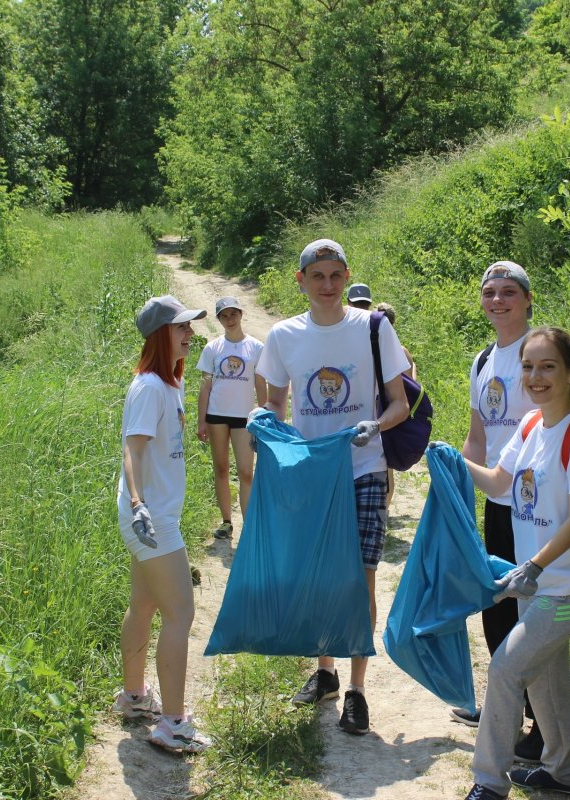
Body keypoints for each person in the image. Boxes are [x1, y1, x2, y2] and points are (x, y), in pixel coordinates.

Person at [255, 238, 411, 736]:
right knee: (321, 578)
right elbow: (275, 407)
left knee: (359, 579)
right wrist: (268, 434)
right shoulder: (282, 337)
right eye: (317, 276)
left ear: (347, 278)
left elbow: (399, 403)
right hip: (312, 474)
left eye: (335, 276)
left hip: (363, 467)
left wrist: (377, 427)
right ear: (300, 281)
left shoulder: (372, 328)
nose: (327, 285)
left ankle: (357, 691)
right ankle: (325, 671)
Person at [460, 326, 570, 800]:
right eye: (528, 366)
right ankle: (565, 773)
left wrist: (534, 567)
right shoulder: (530, 426)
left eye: (547, 366)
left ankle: (488, 781)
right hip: (536, 585)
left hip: (564, 588)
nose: (536, 376)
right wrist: (452, 461)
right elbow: (501, 484)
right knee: (546, 677)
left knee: (506, 668)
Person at [112, 294, 213, 754]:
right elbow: (132, 452)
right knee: (181, 614)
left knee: (145, 604)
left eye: (189, 327)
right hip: (150, 518)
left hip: (154, 515)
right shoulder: (150, 387)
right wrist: (137, 504)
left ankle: (133, 698)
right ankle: (173, 723)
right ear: (160, 336)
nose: (190, 334)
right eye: (181, 328)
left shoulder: (168, 384)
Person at [452, 260, 544, 762]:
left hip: (535, 505)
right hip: (496, 499)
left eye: (509, 292)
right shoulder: (484, 359)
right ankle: (507, 707)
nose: (498, 301)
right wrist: (462, 487)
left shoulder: (540, 352)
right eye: (490, 292)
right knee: (497, 606)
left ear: (528, 299)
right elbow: (478, 435)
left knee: (532, 608)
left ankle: (540, 723)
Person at [195, 296, 267, 540]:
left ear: (241, 314)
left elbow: (260, 383)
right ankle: (226, 521)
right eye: (224, 316)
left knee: (246, 471)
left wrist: (264, 415)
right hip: (216, 415)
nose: (230, 319)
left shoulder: (256, 347)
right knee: (222, 468)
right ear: (219, 319)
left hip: (243, 417)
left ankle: (249, 525)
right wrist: (201, 420)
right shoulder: (213, 348)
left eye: (233, 314)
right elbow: (205, 386)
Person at [373, 301, 416, 511]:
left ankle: (384, 511)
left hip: (385, 411)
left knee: (385, 463)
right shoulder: (403, 351)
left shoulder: (375, 348)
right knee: (386, 463)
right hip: (393, 410)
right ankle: (385, 511)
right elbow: (412, 384)